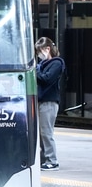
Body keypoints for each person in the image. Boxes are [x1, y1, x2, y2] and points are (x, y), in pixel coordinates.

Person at [36, 36, 65, 170]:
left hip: (49, 102)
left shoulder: (57, 63)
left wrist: (35, 70)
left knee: (46, 132)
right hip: (41, 101)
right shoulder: (42, 65)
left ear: (47, 49)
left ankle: (52, 160)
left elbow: (46, 79)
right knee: (41, 132)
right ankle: (44, 159)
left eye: (40, 51)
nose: (39, 55)